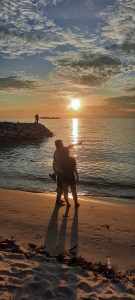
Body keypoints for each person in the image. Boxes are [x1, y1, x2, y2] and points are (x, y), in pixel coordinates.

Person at [49, 139, 82, 206]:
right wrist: (57, 172)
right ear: (59, 145)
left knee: (61, 187)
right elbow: (69, 147)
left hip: (59, 171)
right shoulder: (60, 151)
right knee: (61, 188)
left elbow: (68, 147)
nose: (63, 144)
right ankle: (58, 202)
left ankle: (59, 201)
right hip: (60, 172)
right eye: (62, 143)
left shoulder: (58, 151)